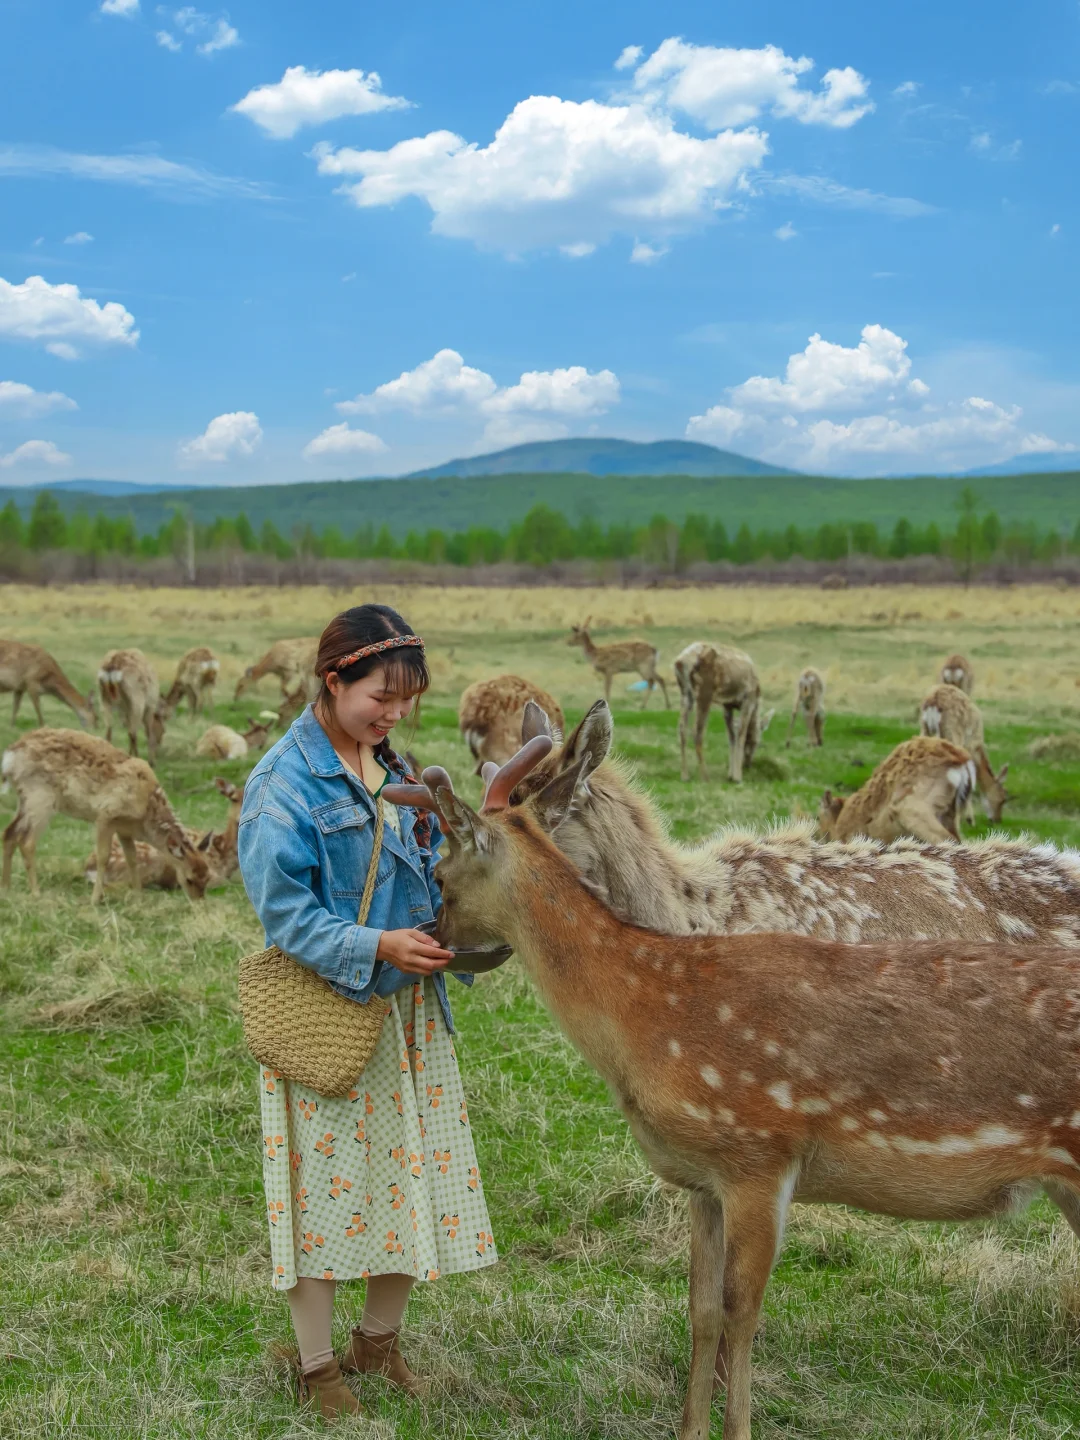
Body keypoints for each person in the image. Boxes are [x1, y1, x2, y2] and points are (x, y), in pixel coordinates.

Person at [238, 604, 497, 1418]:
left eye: (405, 700)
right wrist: (378, 946)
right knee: (320, 1194)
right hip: (330, 1013)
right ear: (333, 678)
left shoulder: (395, 764)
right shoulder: (282, 783)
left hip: (410, 1014)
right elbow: (287, 917)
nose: (393, 714)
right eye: (380, 696)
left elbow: (421, 869)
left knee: (410, 1178)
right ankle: (318, 1370)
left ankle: (375, 1349)